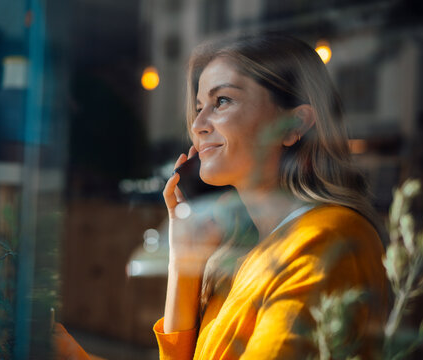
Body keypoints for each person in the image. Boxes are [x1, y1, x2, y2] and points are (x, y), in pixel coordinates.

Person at [154, 32, 389, 359]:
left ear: (295, 123)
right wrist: (184, 261)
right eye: (199, 107)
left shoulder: (325, 240)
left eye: (222, 101)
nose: (199, 124)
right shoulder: (246, 249)